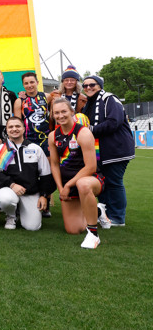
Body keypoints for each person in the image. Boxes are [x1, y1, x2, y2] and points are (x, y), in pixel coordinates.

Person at [48, 98, 105, 249]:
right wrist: (61, 188)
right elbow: (54, 164)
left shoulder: (83, 132)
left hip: (91, 179)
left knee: (83, 184)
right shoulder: (53, 136)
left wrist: (68, 185)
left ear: (72, 112)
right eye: (57, 113)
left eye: (64, 111)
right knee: (73, 230)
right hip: (67, 184)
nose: (60, 115)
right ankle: (98, 211)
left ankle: (93, 234)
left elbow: (91, 167)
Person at [82, 74, 135, 227]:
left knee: (114, 182)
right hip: (101, 152)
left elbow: (114, 122)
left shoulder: (109, 98)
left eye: (92, 84)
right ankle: (105, 215)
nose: (88, 88)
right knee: (103, 183)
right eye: (85, 86)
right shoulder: (89, 103)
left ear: (100, 85)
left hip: (116, 149)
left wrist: (90, 130)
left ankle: (118, 218)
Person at [0, 116, 54, 231]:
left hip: (30, 192)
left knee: (33, 227)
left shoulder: (35, 148)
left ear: (24, 129)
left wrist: (44, 196)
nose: (14, 129)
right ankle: (11, 216)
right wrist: (13, 185)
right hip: (8, 189)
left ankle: (21, 210)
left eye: (18, 126)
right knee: (6, 199)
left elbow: (46, 174)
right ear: (7, 130)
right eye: (11, 127)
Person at [13, 72, 53, 154]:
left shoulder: (47, 97)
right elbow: (17, 123)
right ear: (23, 85)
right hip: (28, 140)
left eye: (32, 82)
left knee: (48, 165)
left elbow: (53, 116)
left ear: (37, 82)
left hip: (45, 139)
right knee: (32, 166)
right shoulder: (19, 101)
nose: (29, 85)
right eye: (26, 83)